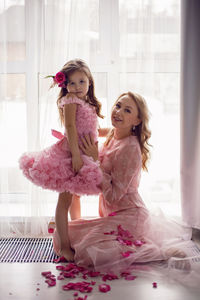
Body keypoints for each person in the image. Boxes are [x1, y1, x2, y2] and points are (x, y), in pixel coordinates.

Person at [53, 91, 194, 275]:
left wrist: (96, 161)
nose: (118, 112)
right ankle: (135, 242)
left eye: (127, 110)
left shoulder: (130, 149)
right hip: (113, 215)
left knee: (87, 250)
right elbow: (88, 132)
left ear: (136, 121)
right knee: (61, 234)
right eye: (118, 105)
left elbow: (113, 196)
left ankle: (158, 252)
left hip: (129, 216)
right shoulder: (113, 133)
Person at [19, 59, 104, 261]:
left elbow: (91, 130)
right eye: (72, 83)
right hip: (70, 154)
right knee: (64, 199)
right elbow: (71, 129)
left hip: (84, 153)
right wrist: (75, 156)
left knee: (75, 196)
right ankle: (65, 246)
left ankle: (74, 233)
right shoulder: (70, 101)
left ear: (89, 81)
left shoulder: (88, 103)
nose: (77, 87)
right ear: (65, 85)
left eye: (81, 81)